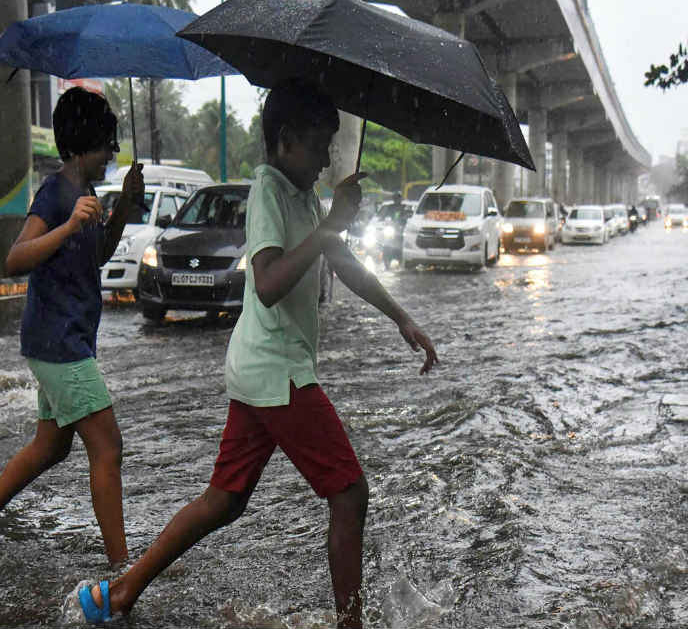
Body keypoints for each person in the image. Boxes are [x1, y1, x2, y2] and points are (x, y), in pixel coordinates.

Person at [72, 77, 439, 628]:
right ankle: (351, 623)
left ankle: (122, 591)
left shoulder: (302, 194)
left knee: (224, 498)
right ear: (287, 139)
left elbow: (342, 264)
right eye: (319, 146)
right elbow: (267, 281)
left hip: (263, 368)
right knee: (350, 494)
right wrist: (331, 224)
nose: (326, 160)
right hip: (278, 369)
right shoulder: (268, 189)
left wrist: (401, 317)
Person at [0, 87, 144, 568]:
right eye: (105, 147)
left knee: (51, 445)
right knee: (108, 446)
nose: (110, 157)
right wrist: (70, 224)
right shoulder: (56, 194)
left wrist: (122, 210)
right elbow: (15, 259)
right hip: (59, 343)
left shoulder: (88, 194)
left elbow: (95, 258)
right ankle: (122, 569)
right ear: (81, 146)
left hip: (66, 338)